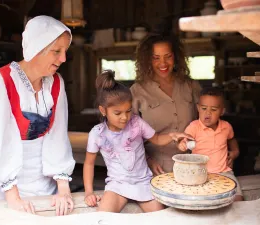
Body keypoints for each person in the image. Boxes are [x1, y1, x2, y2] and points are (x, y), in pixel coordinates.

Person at [0, 16, 76, 216]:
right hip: (4, 185)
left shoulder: (56, 83)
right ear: (37, 48)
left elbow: (57, 136)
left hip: (42, 181)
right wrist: (13, 196)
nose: (63, 58)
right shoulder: (1, 81)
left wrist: (63, 188)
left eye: (65, 51)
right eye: (57, 51)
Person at [83, 70, 193, 213]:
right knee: (102, 218)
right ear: (103, 110)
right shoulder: (97, 134)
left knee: (160, 218)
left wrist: (173, 135)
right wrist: (88, 192)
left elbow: (157, 139)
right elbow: (89, 163)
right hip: (117, 186)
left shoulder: (137, 123)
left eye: (128, 111)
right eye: (118, 113)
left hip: (143, 183)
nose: (125, 117)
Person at [130, 32, 202, 174]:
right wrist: (147, 160)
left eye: (167, 56)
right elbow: (129, 135)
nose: (163, 63)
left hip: (193, 162)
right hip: (156, 168)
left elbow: (207, 122)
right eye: (156, 58)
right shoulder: (137, 91)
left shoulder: (191, 86)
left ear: (175, 56)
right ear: (147, 60)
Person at [178, 87, 243, 201]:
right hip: (199, 173)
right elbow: (183, 141)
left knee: (237, 199)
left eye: (213, 109)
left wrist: (235, 152)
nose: (208, 113)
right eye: (204, 108)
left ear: (222, 111)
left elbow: (232, 140)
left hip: (224, 172)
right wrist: (182, 145)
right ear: (198, 108)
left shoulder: (226, 127)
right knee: (201, 201)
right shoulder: (194, 127)